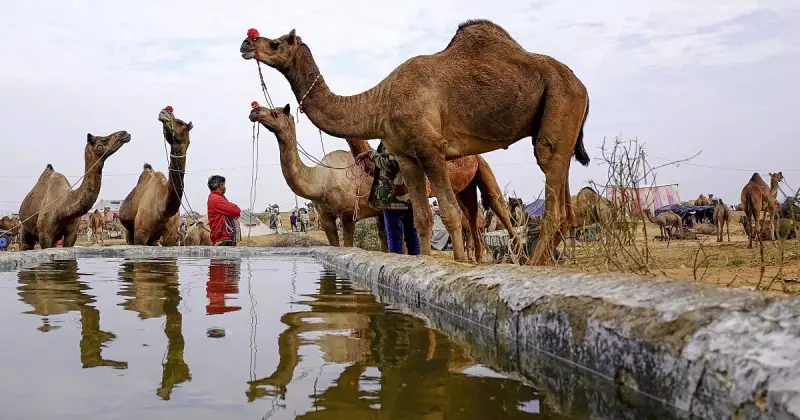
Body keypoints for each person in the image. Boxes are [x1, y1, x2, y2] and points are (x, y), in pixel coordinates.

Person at [356, 142, 421, 255]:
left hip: (394, 200)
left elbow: (390, 163)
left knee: (396, 242)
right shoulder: (408, 138)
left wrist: (371, 155)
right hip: (411, 196)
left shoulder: (392, 139)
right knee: (412, 238)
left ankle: (397, 271)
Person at [206, 175, 241, 246]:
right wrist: (234, 207)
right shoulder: (216, 199)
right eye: (224, 184)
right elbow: (236, 211)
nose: (225, 187)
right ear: (220, 185)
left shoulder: (216, 198)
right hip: (223, 239)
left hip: (224, 238)